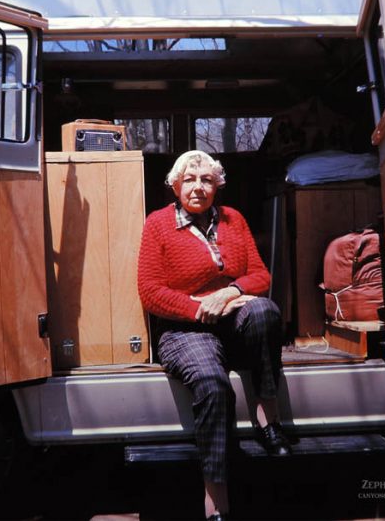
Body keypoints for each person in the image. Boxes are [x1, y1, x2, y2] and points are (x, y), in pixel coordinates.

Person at [137, 150, 291, 521]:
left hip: (231, 317)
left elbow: (260, 275)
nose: (197, 187)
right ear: (175, 186)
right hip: (184, 329)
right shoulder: (157, 224)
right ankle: (216, 504)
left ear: (217, 186)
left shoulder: (233, 219)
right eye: (189, 179)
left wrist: (230, 293)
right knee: (213, 385)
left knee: (265, 312)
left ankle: (268, 420)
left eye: (206, 179)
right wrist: (197, 308)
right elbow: (150, 290)